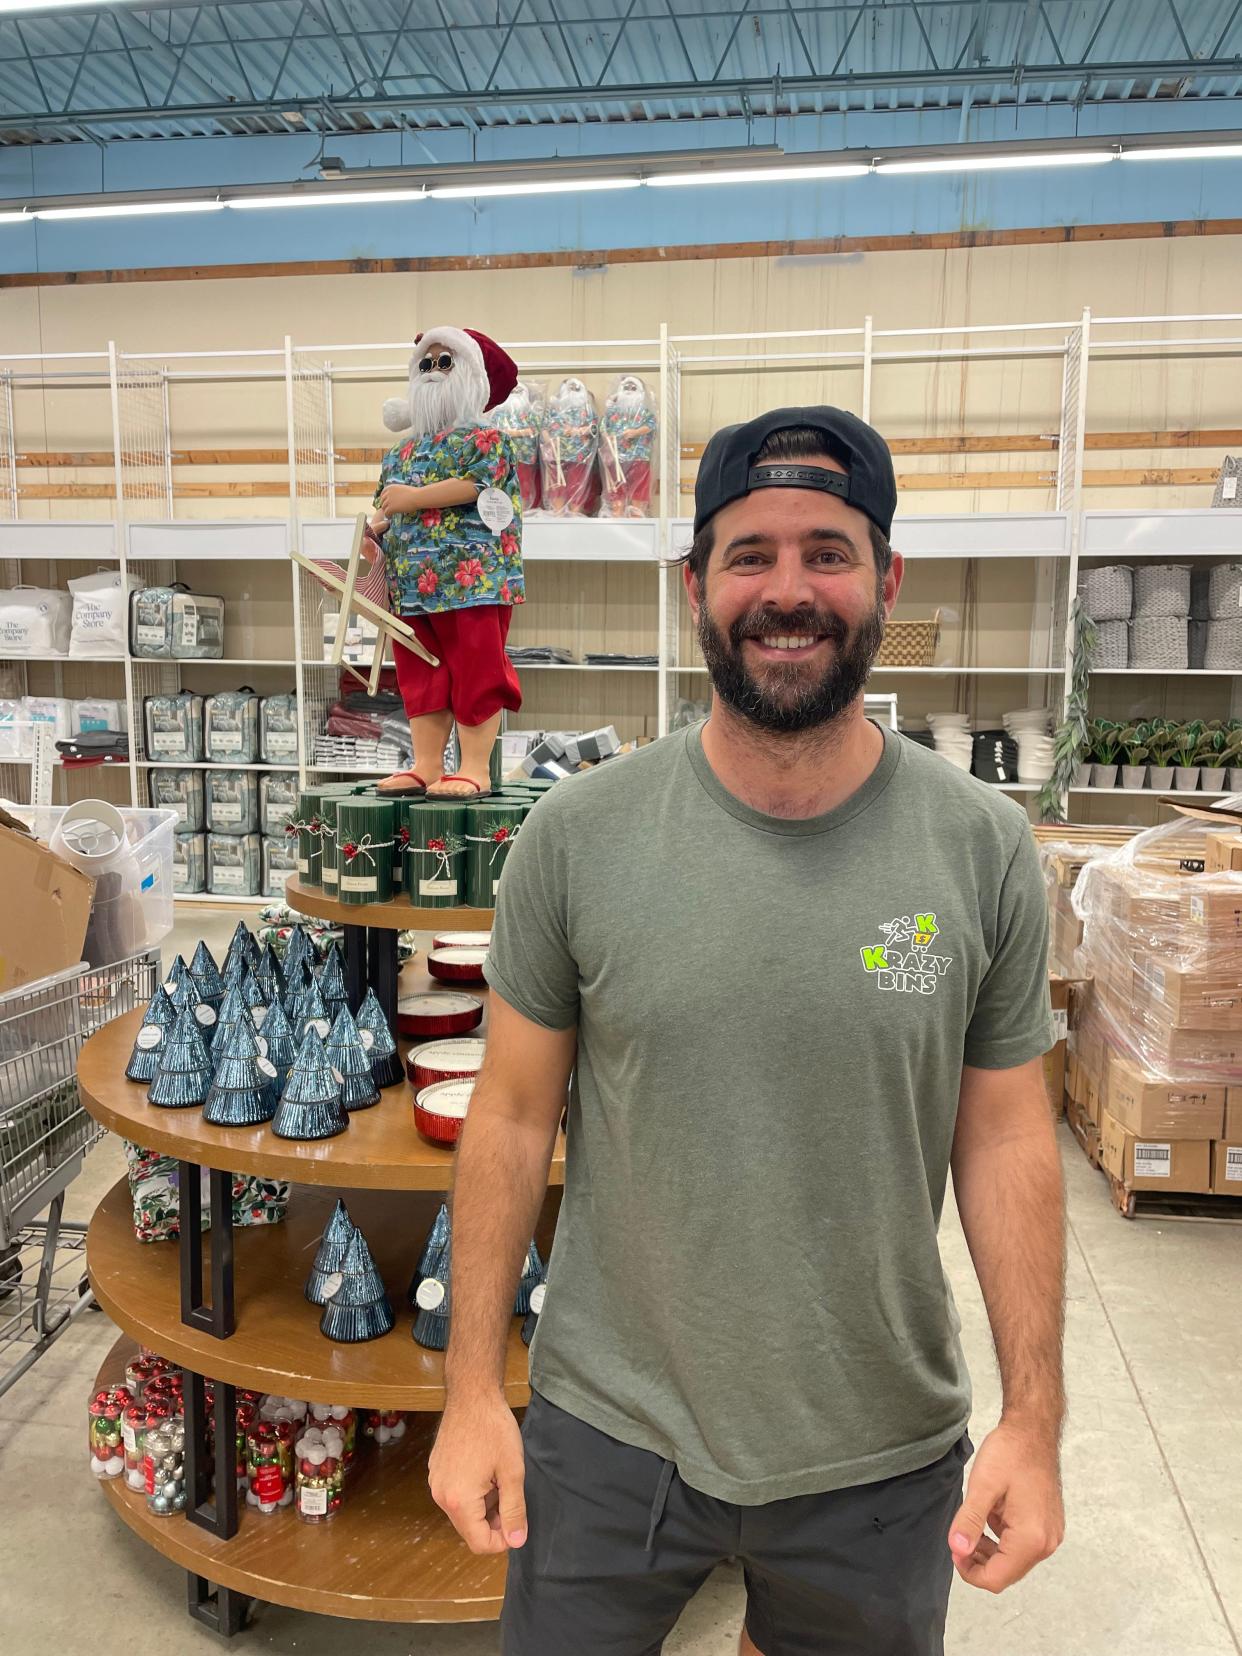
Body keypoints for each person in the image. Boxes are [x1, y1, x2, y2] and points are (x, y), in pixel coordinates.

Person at [430, 405, 1067, 1656]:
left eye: (828, 552)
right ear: (695, 587)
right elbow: (506, 1117)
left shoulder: (981, 847)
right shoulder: (580, 837)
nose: (789, 590)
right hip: (608, 1434)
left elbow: (1005, 1140)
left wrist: (1034, 1423)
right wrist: (466, 1393)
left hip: (875, 1452)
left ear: (886, 580)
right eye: (749, 555)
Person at [368, 324, 525, 801]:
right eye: (426, 363)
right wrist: (372, 532)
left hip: (471, 580)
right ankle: (427, 763)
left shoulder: (486, 440)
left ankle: (475, 766)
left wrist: (412, 498)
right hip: (410, 585)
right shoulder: (400, 451)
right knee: (421, 673)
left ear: (470, 377)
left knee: (477, 667)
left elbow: (476, 486)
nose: (434, 372)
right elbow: (385, 507)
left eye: (445, 362)